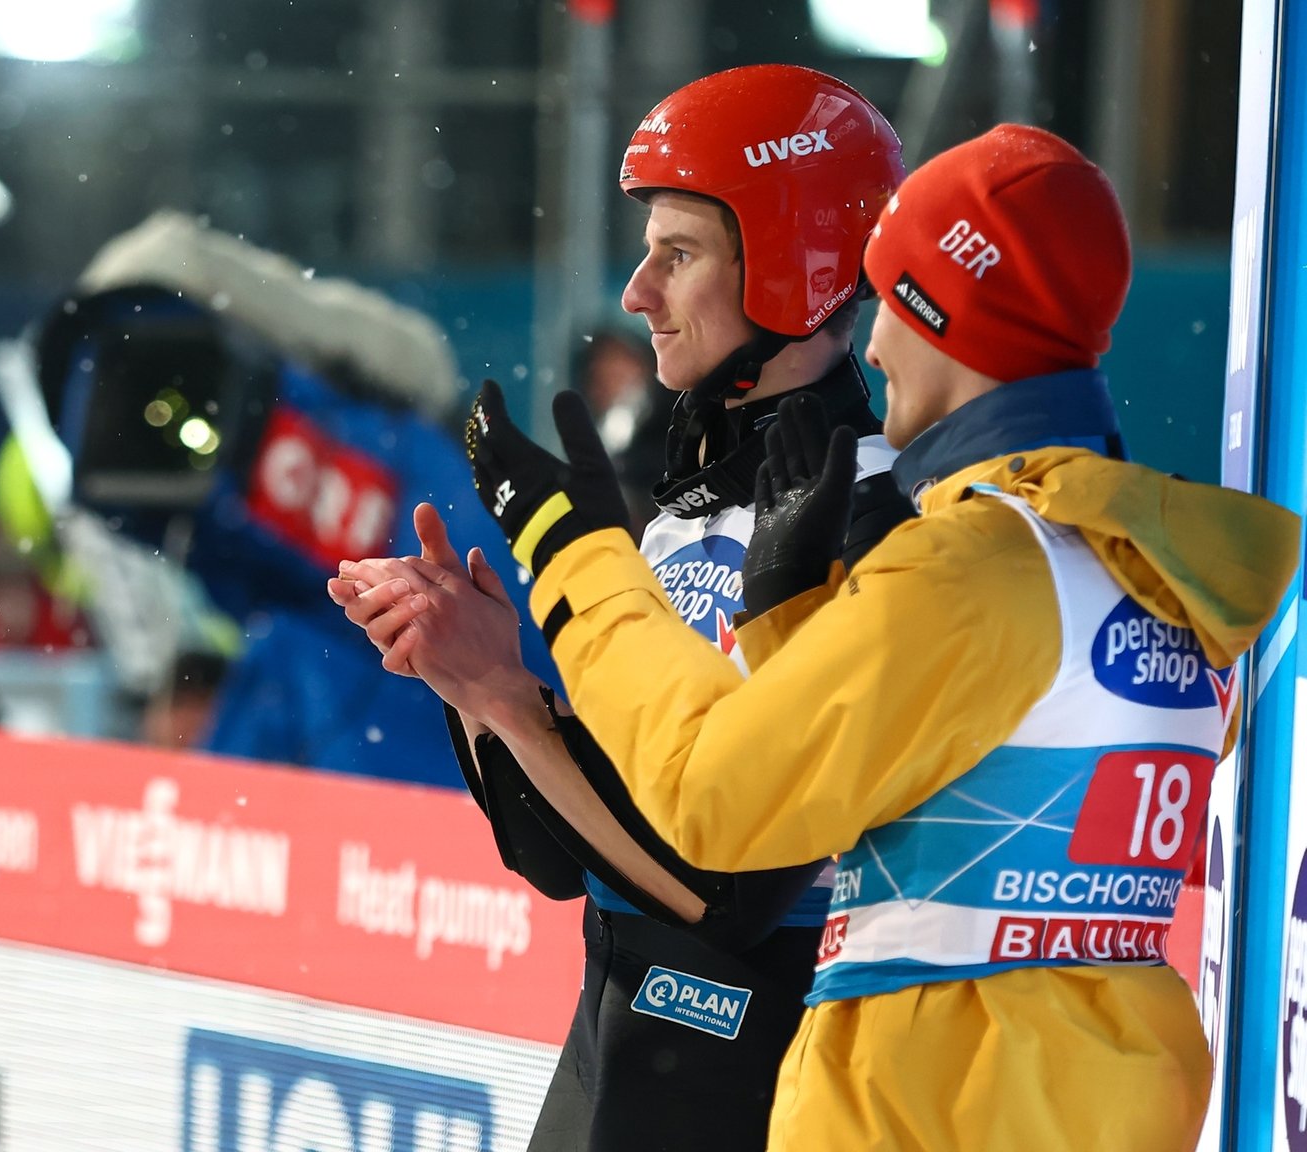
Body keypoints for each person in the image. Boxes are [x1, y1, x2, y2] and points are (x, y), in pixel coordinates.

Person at [442, 124, 1298, 1149]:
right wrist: (791, 620)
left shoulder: (974, 564)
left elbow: (717, 805)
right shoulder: (1142, 564)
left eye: (892, 300)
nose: (875, 341)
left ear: (945, 318)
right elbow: (947, 789)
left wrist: (572, 551)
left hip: (933, 1104)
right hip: (1079, 1094)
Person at [331, 64, 911, 1150]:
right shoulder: (687, 504)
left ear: (790, 264)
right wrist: (472, 678)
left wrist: (506, 697)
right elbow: (564, 858)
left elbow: (721, 893)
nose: (636, 293)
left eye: (675, 254)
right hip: (628, 1049)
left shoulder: (862, 514)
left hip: (756, 1085)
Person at [569, 327, 664, 538]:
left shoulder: (680, 412)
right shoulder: (600, 445)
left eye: (618, 360)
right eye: (599, 375)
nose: (612, 376)